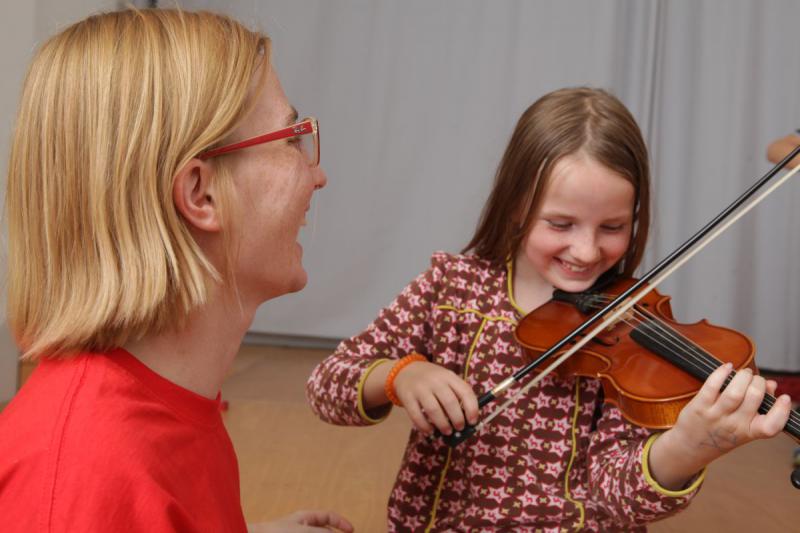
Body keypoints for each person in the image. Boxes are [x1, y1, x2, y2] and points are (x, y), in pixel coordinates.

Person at [306, 87, 792, 531]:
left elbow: (617, 495)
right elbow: (328, 384)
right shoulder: (451, 289)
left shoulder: (631, 323)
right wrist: (398, 375)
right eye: (561, 224)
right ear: (517, 204)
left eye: (612, 227)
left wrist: (687, 447)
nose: (585, 251)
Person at [0, 8, 351, 533]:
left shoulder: (161, 407)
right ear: (199, 193)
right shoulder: (90, 474)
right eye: (291, 140)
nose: (316, 176)